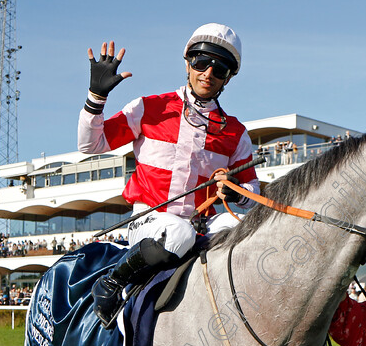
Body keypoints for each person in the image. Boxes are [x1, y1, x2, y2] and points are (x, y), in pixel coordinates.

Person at [78, 23, 260, 327]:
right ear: (187, 63)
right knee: (179, 233)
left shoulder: (236, 132)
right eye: (201, 63)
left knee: (248, 228)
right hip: (150, 220)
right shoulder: (149, 108)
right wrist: (96, 97)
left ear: (228, 78)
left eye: (220, 69)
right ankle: (110, 283)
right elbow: (90, 144)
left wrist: (235, 191)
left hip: (203, 221)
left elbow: (252, 191)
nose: (208, 74)